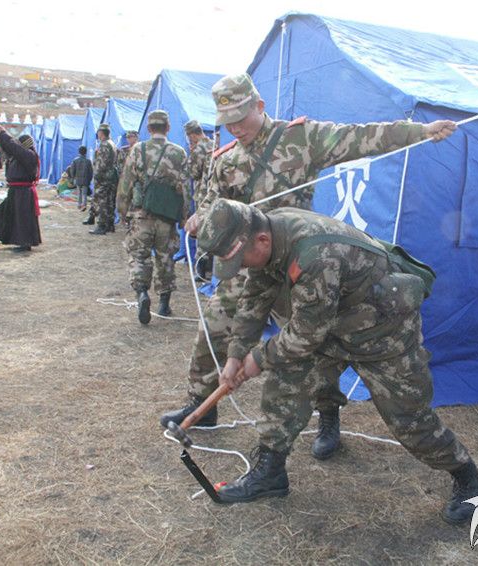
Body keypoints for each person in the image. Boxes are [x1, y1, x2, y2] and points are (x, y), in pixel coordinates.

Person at [161, 73, 457, 461]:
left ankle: (328, 415)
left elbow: (361, 138)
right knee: (213, 327)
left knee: (312, 348)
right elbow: (211, 204)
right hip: (243, 266)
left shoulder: (300, 139)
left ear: (259, 106)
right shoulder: (226, 160)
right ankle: (202, 402)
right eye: (226, 122)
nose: (235, 128)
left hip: (295, 267)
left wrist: (420, 132)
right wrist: (199, 218)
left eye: (240, 118)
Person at [194, 199, 478, 523]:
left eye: (241, 260)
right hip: (329, 322)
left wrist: (257, 359)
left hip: (381, 330)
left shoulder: (314, 254)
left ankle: (465, 474)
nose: (242, 268)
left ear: (261, 240)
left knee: (409, 419)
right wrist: (236, 355)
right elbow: (255, 298)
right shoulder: (267, 234)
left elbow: (306, 334)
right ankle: (270, 472)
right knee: (287, 383)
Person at [117, 110, 186, 324]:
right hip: (167, 217)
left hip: (141, 215)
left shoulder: (138, 150)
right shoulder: (179, 153)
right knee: (165, 258)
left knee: (139, 257)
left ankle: (142, 294)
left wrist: (122, 211)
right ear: (168, 128)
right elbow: (184, 189)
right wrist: (184, 217)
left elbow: (126, 183)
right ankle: (164, 304)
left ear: (148, 129)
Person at [0, 125, 41, 252]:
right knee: (10, 216)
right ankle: (15, 240)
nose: (17, 146)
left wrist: (3, 132)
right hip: (16, 191)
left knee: (22, 218)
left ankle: (25, 243)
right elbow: (9, 148)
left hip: (23, 192)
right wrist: (0, 137)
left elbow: (13, 147)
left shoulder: (29, 155)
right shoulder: (21, 156)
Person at [183, 119, 215, 279]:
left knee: (201, 230)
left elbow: (193, 173)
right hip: (214, 193)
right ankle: (210, 268)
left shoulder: (198, 149)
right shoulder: (213, 144)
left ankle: (201, 269)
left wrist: (191, 155)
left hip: (202, 195)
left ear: (193, 135)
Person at [85, 123, 118, 235]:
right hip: (110, 177)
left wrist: (96, 176)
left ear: (101, 133)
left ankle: (102, 225)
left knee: (102, 202)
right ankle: (110, 225)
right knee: (110, 202)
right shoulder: (112, 143)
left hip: (103, 178)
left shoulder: (104, 145)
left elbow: (101, 164)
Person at [66, 145, 93, 211]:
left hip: (78, 180)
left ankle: (79, 205)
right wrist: (89, 180)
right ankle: (84, 205)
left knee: (79, 193)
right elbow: (91, 172)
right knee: (84, 193)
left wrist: (73, 178)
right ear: (86, 152)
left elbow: (72, 170)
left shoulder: (75, 160)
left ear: (79, 152)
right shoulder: (88, 161)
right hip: (86, 180)